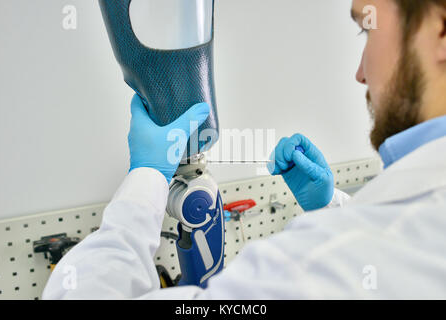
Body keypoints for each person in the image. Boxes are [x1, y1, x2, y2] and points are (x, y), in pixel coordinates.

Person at [43, 0, 446, 299]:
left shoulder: (310, 271)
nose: (360, 73)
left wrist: (145, 179)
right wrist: (332, 209)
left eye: (368, 30)